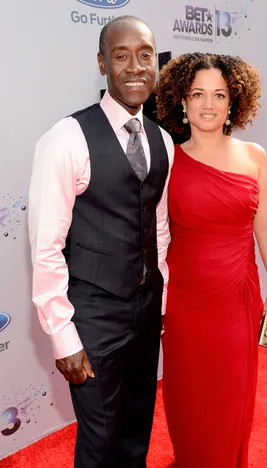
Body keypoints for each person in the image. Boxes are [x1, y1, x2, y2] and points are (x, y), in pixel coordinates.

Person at [28, 16, 173, 468]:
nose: (135, 67)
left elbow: (159, 226)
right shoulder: (66, 138)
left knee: (136, 433)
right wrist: (62, 337)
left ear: (156, 64)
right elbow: (46, 247)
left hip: (147, 313)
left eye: (145, 55)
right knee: (100, 442)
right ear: (101, 63)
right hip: (91, 315)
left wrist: (161, 302)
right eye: (121, 55)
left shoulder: (163, 139)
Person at [156, 52, 267, 468]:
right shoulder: (167, 159)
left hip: (237, 301)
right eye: (198, 94)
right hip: (183, 305)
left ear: (234, 102)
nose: (208, 104)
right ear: (182, 100)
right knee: (188, 400)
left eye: (219, 94)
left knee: (230, 401)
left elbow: (266, 227)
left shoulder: (255, 156)